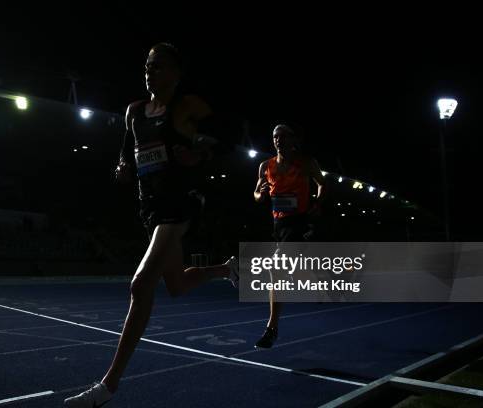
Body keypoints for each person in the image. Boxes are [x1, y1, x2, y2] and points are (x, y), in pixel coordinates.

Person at [65, 43, 238, 407]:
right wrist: (122, 168)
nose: (150, 72)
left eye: (158, 66)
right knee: (175, 285)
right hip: (150, 208)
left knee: (141, 284)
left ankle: (107, 386)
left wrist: (200, 152)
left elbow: (228, 136)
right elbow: (127, 152)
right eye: (147, 66)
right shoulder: (134, 112)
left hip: (180, 203)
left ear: (176, 73)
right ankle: (226, 268)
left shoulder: (187, 106)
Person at [252, 124, 326, 348]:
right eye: (275, 136)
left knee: (276, 268)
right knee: (285, 271)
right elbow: (256, 194)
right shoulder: (265, 166)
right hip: (279, 225)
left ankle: (271, 328)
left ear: (292, 139)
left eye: (283, 136)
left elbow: (322, 184)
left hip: (300, 222)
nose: (278, 140)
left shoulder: (306, 163)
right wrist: (260, 194)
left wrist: (318, 202)